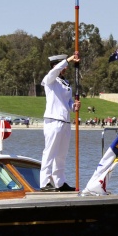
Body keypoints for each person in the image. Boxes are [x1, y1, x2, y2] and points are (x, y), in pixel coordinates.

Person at [40, 53, 81, 191]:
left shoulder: (65, 83)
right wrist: (69, 59)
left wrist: (74, 106)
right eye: (63, 66)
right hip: (53, 121)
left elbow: (67, 103)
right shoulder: (50, 80)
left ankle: (59, 182)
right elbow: (55, 71)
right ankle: (44, 182)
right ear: (55, 65)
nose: (65, 69)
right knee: (50, 152)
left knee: (61, 155)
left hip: (65, 121)